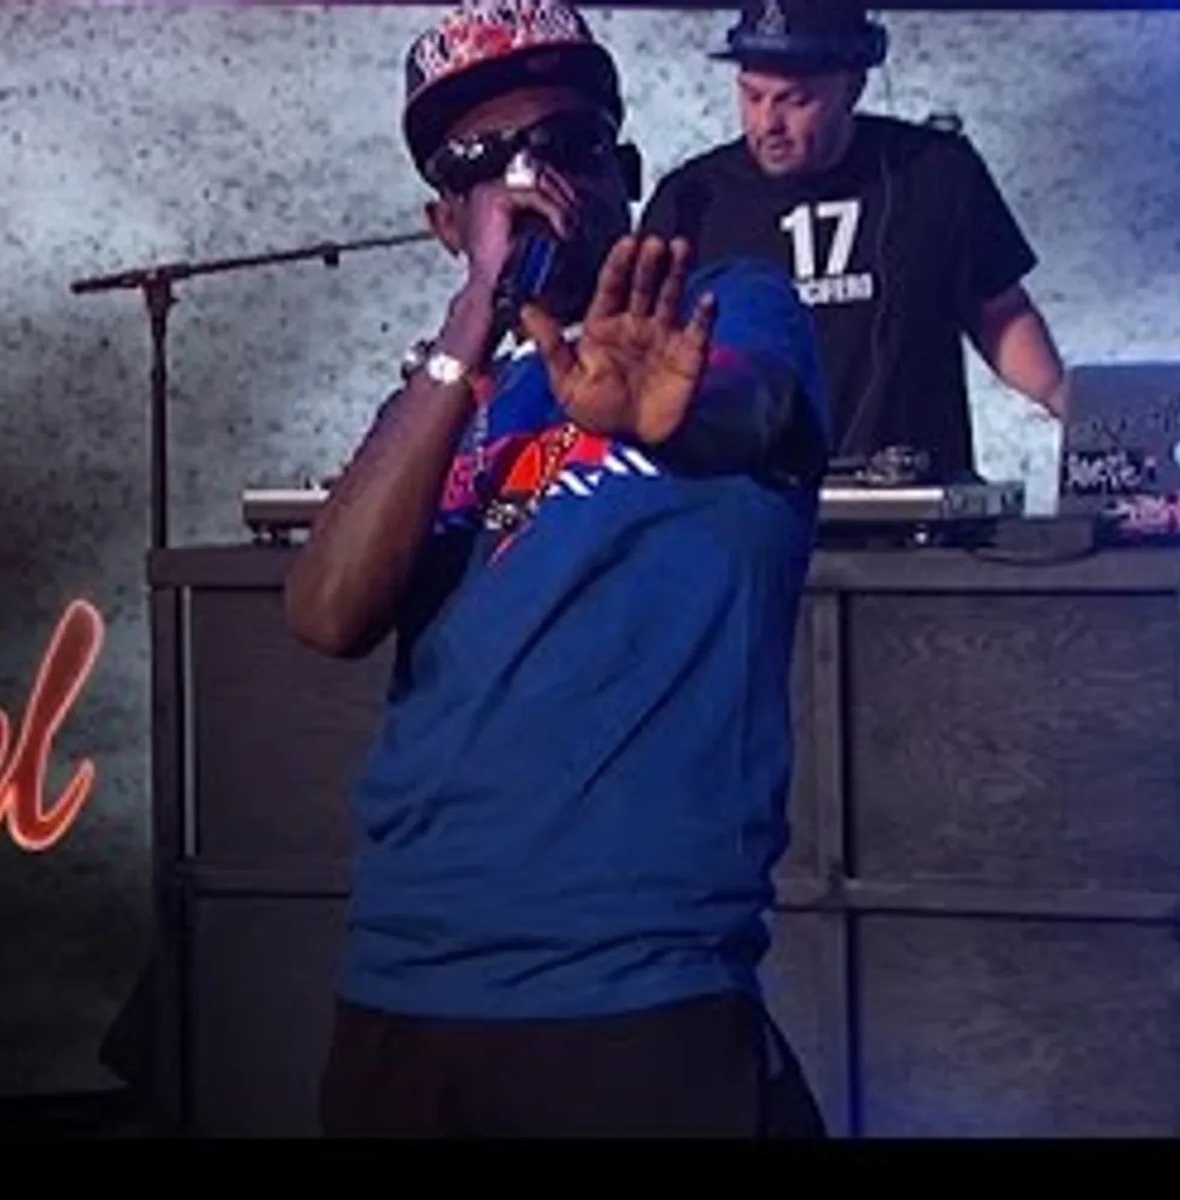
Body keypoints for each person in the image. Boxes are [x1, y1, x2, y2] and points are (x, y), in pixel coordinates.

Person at [284, 0, 832, 1138]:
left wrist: (670, 410)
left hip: (636, 991)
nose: (535, 177)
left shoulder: (733, 314)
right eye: (483, 162)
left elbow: (744, 407)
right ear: (448, 221)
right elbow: (328, 613)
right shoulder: (445, 406)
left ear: (623, 172)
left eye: (569, 142)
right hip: (401, 987)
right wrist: (472, 320)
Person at [639, 0, 1067, 483]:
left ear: (853, 87)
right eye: (751, 96)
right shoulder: (692, 198)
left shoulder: (938, 172)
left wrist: (1064, 400)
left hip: (912, 497)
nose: (767, 124)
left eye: (794, 101)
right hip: (753, 505)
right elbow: (643, 354)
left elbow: (999, 313)